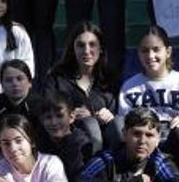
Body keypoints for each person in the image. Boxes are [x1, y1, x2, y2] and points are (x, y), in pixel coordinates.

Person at [118, 25, 179, 171]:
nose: (150, 55)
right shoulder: (130, 86)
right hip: (144, 148)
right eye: (145, 50)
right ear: (138, 53)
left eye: (156, 49)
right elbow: (124, 126)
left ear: (168, 51)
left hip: (178, 147)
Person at [42, 21, 120, 152]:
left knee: (117, 125)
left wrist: (108, 115)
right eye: (80, 45)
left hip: (107, 141)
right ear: (73, 49)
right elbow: (48, 109)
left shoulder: (110, 77)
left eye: (92, 45)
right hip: (69, 141)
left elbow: (119, 112)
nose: (86, 51)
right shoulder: (57, 76)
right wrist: (69, 115)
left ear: (100, 48)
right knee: (90, 125)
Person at [0, 58, 44, 163]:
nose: (15, 84)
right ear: (2, 85)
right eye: (8, 80)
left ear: (29, 82)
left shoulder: (41, 107)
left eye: (20, 79)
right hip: (2, 159)